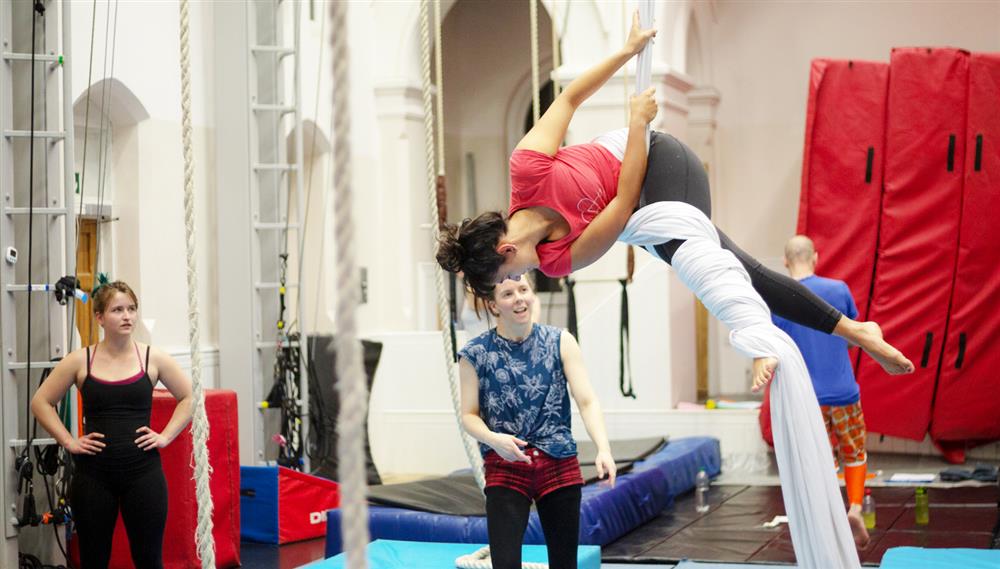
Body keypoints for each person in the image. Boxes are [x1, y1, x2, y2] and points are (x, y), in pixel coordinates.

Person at [435, 10, 913, 389]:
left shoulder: (527, 168)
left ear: (505, 250)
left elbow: (567, 100)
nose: (519, 280)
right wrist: (637, 122)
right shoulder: (557, 260)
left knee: (698, 262)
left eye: (509, 274)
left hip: (661, 163)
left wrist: (628, 56)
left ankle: (765, 339)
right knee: (737, 268)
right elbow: (621, 211)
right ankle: (851, 331)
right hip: (640, 210)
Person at [31, 280, 194, 569]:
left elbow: (189, 397)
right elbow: (41, 402)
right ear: (100, 317)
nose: (127, 316)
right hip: (94, 476)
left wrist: (166, 436)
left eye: (132, 309)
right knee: (94, 560)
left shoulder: (151, 357)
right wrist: (69, 441)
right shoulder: (80, 360)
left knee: (149, 560)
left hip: (143, 474)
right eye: (118, 310)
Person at [455, 276, 615, 569]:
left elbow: (587, 400)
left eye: (524, 290)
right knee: (504, 563)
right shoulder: (475, 354)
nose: (518, 298)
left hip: (558, 460)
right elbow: (468, 415)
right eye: (507, 294)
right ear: (493, 305)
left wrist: (603, 448)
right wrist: (494, 439)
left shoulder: (561, 341)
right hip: (505, 462)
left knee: (564, 562)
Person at [772, 235, 871, 547]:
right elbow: (856, 334)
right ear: (815, 256)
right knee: (854, 451)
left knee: (821, 459)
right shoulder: (838, 290)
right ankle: (854, 507)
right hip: (844, 391)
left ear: (785, 261)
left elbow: (773, 350)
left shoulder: (776, 298)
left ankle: (827, 515)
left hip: (807, 398)